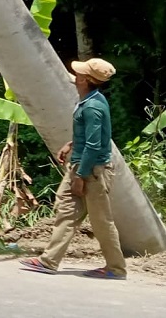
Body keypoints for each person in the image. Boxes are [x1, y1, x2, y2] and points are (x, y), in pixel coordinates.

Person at [21, 58, 126, 279]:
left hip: (92, 171)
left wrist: (81, 175)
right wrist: (70, 145)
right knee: (66, 211)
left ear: (86, 80)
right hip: (80, 165)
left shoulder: (94, 107)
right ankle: (48, 261)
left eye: (79, 73)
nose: (75, 76)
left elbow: (95, 144)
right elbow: (88, 136)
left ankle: (116, 269)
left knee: (101, 221)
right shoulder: (89, 100)